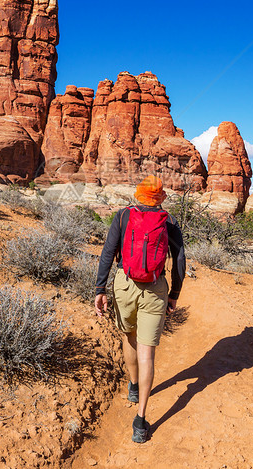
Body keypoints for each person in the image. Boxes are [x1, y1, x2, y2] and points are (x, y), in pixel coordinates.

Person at [94, 175, 186, 443]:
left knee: (129, 337)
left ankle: (133, 386)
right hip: (156, 288)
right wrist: (174, 293)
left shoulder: (122, 216)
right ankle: (141, 419)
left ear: (138, 195)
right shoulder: (168, 220)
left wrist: (100, 289)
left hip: (124, 283)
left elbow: (107, 254)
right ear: (160, 198)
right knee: (148, 353)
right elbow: (179, 259)